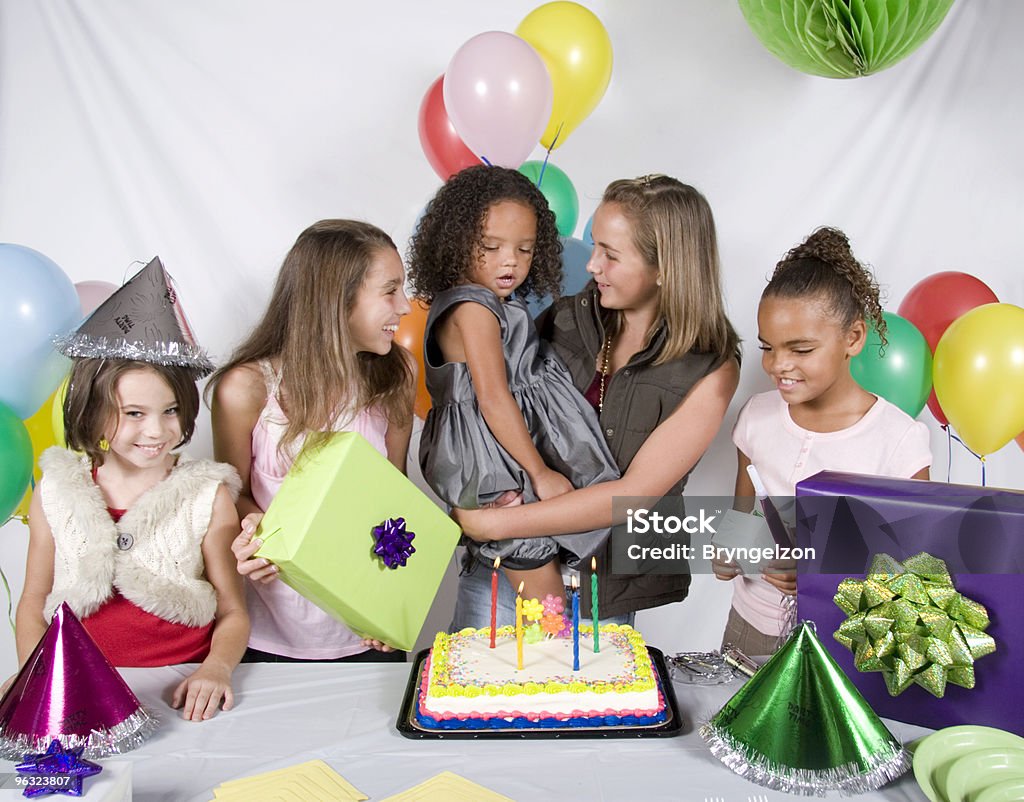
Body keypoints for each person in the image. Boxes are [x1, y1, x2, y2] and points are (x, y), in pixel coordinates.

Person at [454, 175, 741, 627]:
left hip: (599, 593)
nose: (592, 265)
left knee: (585, 698)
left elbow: (635, 495)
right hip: (506, 573)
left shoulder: (711, 367)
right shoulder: (565, 317)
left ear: (666, 266)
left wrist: (493, 525)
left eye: (610, 253)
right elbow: (488, 410)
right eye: (594, 247)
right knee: (478, 694)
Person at [13, 258, 248, 721]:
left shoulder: (209, 495)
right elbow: (33, 603)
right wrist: (34, 676)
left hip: (180, 684)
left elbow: (233, 612)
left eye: (171, 410)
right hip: (81, 684)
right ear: (93, 412)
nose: (156, 431)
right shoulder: (57, 491)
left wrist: (216, 669)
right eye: (134, 413)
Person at [407, 165, 619, 611]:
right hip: (489, 458)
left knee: (536, 575)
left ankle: (551, 658)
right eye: (492, 247)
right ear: (456, 242)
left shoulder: (488, 301)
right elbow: (493, 397)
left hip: (496, 448)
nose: (511, 261)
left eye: (524, 250)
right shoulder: (474, 309)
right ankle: (559, 664)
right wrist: (540, 473)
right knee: (544, 592)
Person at [713, 226, 932, 655]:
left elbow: (915, 578)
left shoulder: (898, 441)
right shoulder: (756, 416)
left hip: (843, 645)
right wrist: (729, 552)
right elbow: (742, 520)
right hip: (748, 632)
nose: (779, 365)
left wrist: (823, 574)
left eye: (800, 349)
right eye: (769, 347)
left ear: (853, 338)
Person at [208, 219, 415, 662]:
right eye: (390, 290)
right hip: (268, 636)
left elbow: (396, 503)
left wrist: (390, 606)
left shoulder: (396, 376)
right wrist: (254, 529)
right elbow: (233, 494)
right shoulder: (246, 388)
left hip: (366, 633)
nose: (406, 306)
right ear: (337, 300)